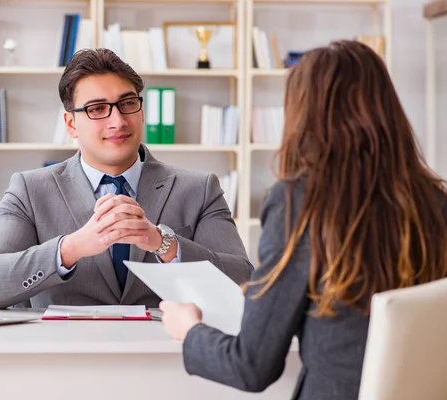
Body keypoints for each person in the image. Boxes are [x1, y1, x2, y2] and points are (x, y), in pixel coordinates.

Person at [159, 40, 447, 400]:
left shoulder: (301, 201)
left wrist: (190, 330)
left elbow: (250, 365)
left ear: (305, 115)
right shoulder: (435, 200)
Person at [0, 48, 253, 310]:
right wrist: (71, 248)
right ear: (71, 123)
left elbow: (244, 282)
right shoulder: (30, 190)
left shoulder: (199, 189)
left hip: (168, 355)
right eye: (97, 109)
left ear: (141, 112)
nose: (117, 121)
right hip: (62, 356)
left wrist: (164, 244)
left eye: (127, 103)